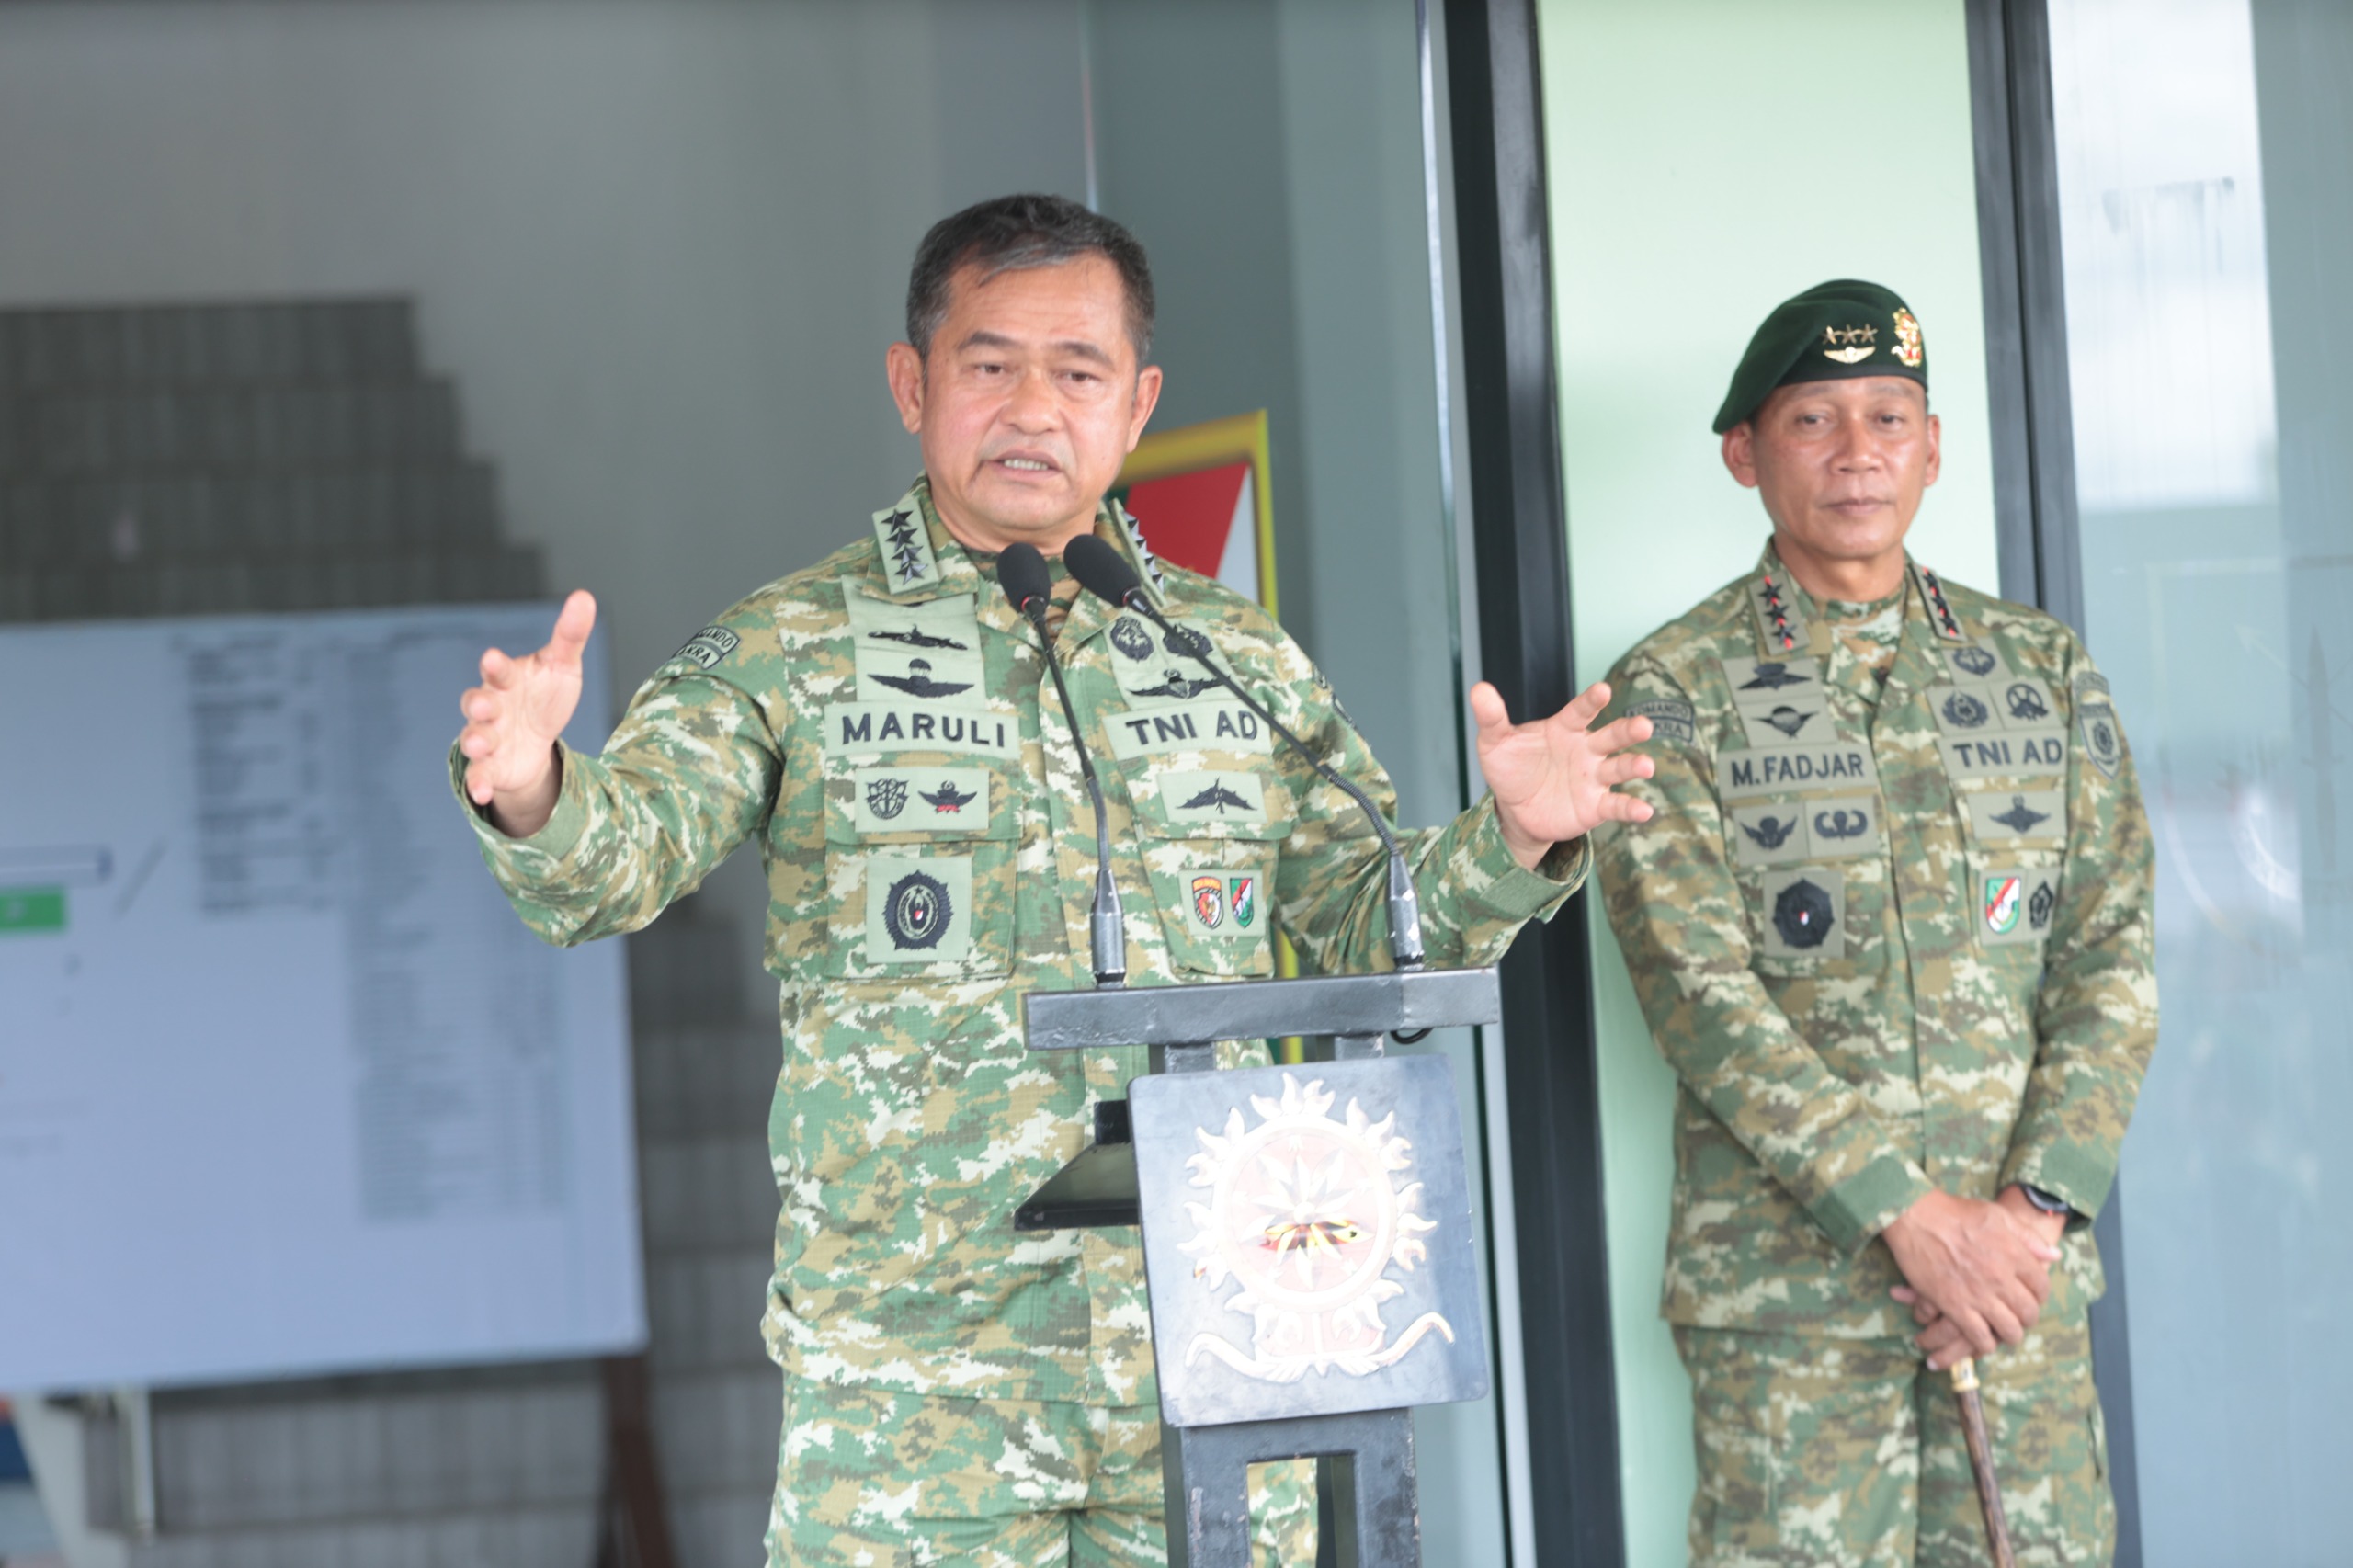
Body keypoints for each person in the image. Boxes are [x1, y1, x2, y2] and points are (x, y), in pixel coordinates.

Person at [451, 193, 1655, 1567]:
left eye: (1077, 371)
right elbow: (621, 855)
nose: (1033, 406)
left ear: (1136, 403)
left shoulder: (1230, 654)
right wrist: (537, 783)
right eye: (989, 364)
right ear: (913, 385)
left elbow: (1362, 924)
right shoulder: (796, 642)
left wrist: (1506, 841)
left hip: (1215, 1344)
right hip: (921, 1387)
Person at [1592, 280, 2156, 1566]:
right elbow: (1698, 993)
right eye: (1814, 419)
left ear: (1935, 445)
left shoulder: (2041, 669)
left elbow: (2111, 957)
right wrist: (1912, 1216)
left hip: (2018, 1292)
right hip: (1795, 1307)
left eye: (1890, 417)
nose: (1859, 454)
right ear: (1745, 452)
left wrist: (2024, 1219)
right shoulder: (1671, 689)